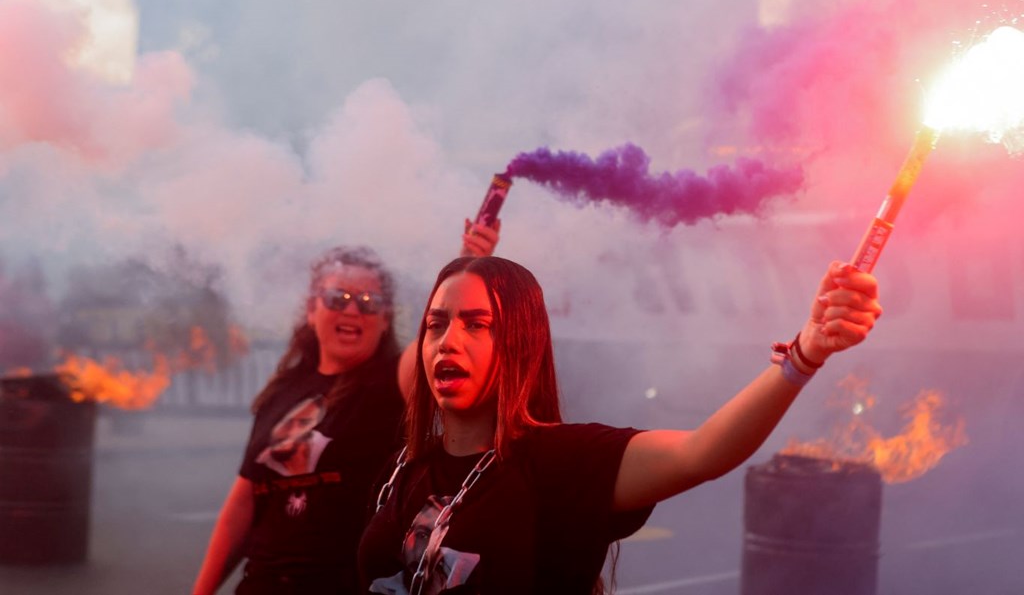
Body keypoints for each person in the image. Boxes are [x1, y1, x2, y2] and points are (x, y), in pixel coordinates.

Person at [357, 255, 883, 594]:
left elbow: (704, 452)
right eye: (435, 324)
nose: (448, 341)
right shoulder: (405, 467)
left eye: (477, 324)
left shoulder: (558, 463)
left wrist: (805, 353)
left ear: (519, 343)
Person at [193, 221, 500, 595]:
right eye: (338, 298)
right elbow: (243, 503)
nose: (353, 310)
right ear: (311, 308)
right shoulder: (284, 390)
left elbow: (428, 353)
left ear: (386, 319)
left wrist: (467, 265)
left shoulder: (390, 384)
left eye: (369, 303)